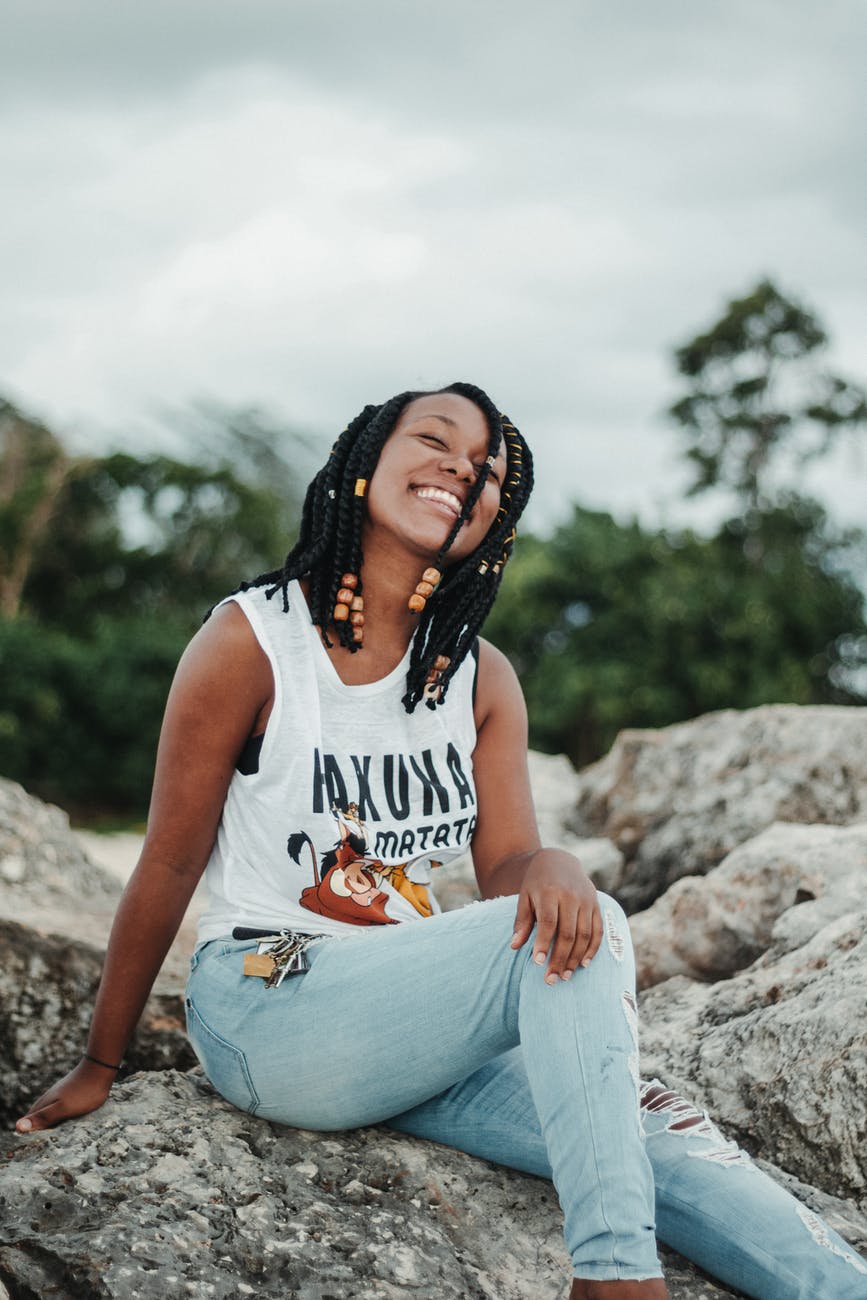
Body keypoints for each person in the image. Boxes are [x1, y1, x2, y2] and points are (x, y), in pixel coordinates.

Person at [16, 382, 867, 1299]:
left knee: (660, 1130)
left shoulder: (480, 677)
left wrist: (557, 865)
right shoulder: (251, 642)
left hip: (407, 1021)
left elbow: (508, 871)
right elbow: (171, 859)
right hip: (270, 1003)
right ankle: (615, 1278)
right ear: (363, 464)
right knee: (584, 930)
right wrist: (100, 1061)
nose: (459, 471)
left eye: (486, 472)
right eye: (434, 441)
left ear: (493, 522)